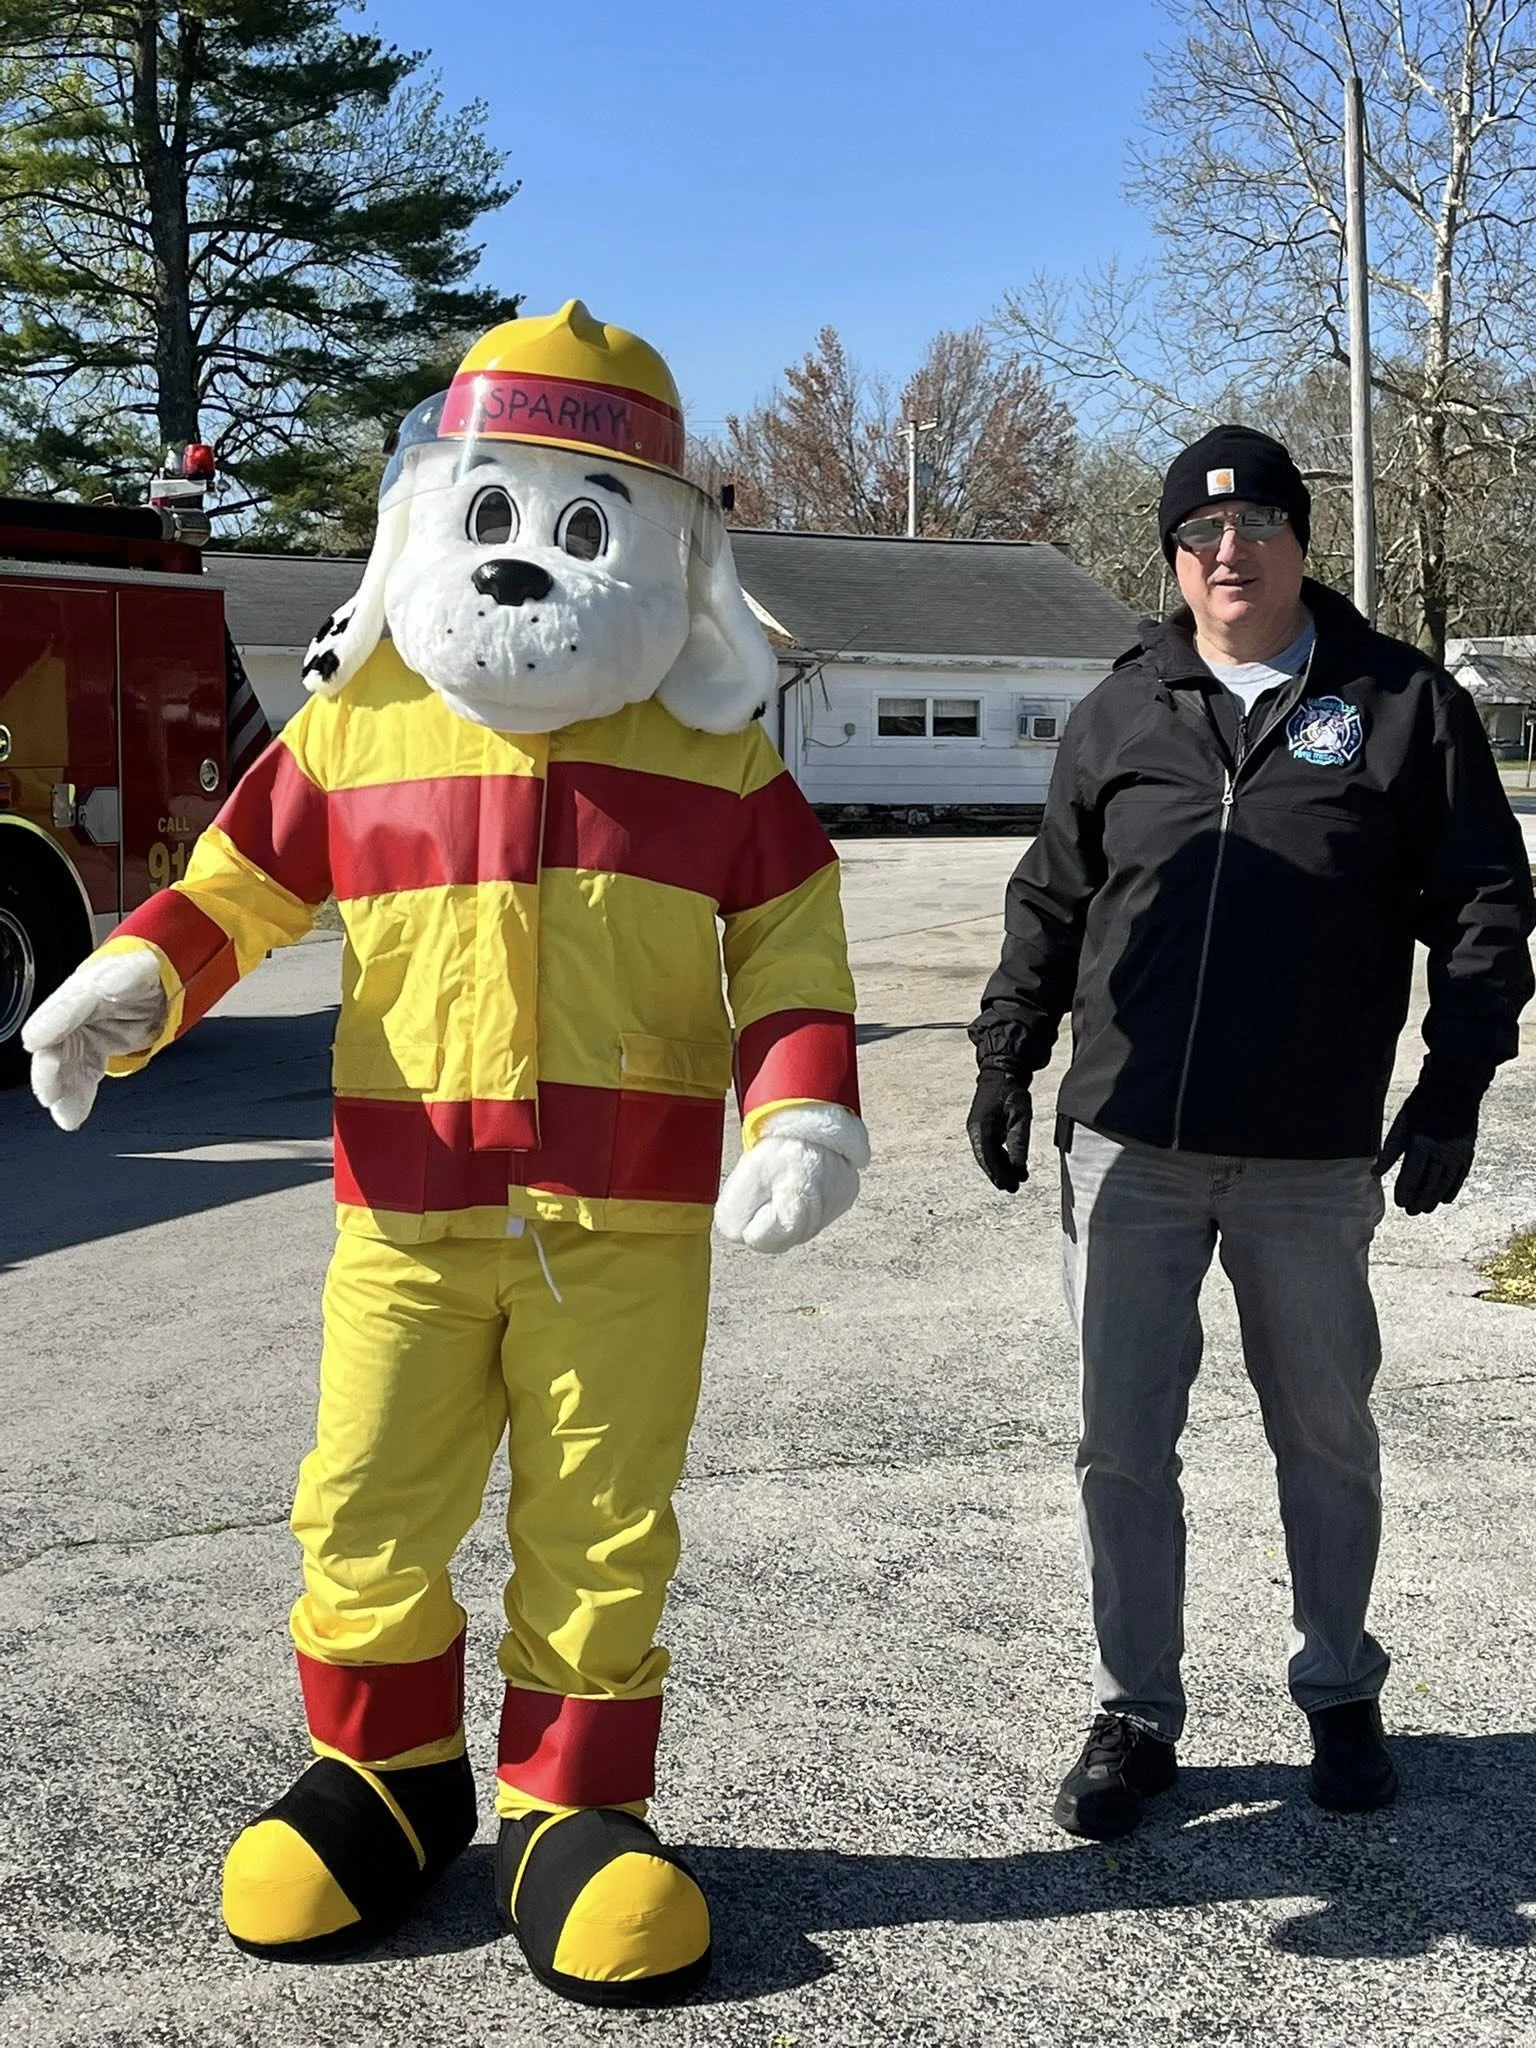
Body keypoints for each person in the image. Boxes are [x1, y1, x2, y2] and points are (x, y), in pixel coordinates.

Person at [967, 424, 1534, 1840]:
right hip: (1130, 1149)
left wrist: (1457, 1081)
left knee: (1326, 1434)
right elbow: (1051, 902)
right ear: (1174, 557)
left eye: (1261, 525)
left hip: (1310, 1158)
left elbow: (1484, 905)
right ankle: (1133, 1712)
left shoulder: (1399, 704)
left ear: (1299, 542)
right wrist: (1004, 1058)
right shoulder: (1123, 708)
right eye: (1204, 534)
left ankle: (1340, 1689)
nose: (1233, 552)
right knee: (1120, 1444)